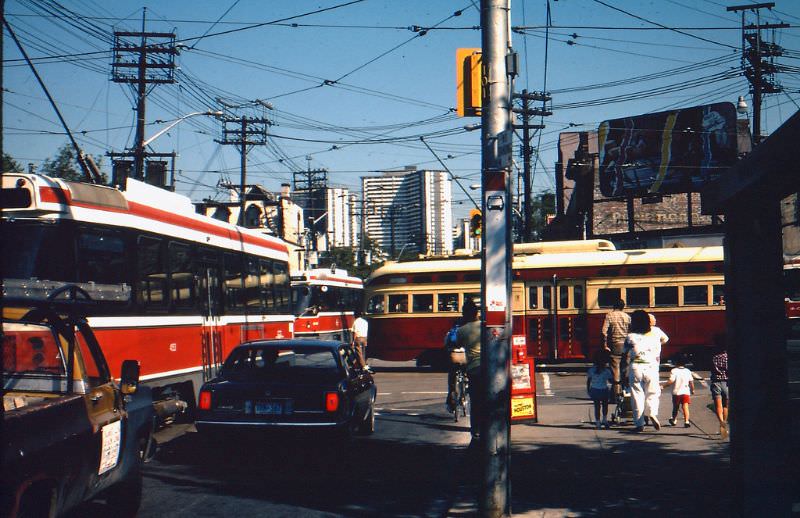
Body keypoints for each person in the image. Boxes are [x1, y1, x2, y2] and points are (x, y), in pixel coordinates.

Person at [622, 309, 662, 432]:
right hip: (652, 367)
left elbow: (624, 354)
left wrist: (624, 371)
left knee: (637, 395)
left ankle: (639, 424)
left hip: (636, 367)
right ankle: (652, 412)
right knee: (653, 393)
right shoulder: (655, 334)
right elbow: (665, 340)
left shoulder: (630, 336)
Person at [456, 300, 482, 443]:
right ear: (477, 312)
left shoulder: (462, 330)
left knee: (476, 401)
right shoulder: (484, 326)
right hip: (489, 367)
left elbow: (457, 344)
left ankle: (476, 430)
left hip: (474, 369)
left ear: (465, 314)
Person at [601, 299, 630, 398]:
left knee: (615, 368)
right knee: (625, 367)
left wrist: (605, 345)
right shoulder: (627, 317)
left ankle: (616, 393)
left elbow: (604, 332)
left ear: (614, 306)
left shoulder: (609, 315)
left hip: (615, 344)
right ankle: (626, 391)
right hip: (626, 344)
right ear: (623, 306)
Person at [662, 354, 694, 427]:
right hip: (686, 392)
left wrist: (663, 386)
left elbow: (671, 381)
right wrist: (692, 390)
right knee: (685, 407)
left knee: (675, 407)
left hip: (676, 392)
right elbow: (691, 382)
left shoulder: (674, 371)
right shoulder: (687, 371)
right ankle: (686, 421)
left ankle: (674, 420)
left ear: (676, 362)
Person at [586, 351, 614, 429]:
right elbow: (611, 381)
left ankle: (598, 422)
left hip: (594, 389)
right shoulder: (606, 371)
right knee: (605, 405)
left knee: (597, 406)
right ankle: (604, 419)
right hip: (604, 389)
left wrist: (588, 390)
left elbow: (589, 381)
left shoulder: (591, 370)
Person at [710, 333, 729, 439]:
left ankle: (721, 422)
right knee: (726, 405)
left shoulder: (713, 356)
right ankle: (724, 423)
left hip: (715, 382)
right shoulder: (727, 357)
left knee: (718, 405)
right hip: (726, 382)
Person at [444, 318, 463, 412]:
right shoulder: (465, 331)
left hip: (454, 357)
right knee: (467, 374)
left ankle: (451, 401)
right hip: (465, 358)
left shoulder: (450, 332)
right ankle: (465, 392)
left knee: (452, 379)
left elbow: (446, 344)